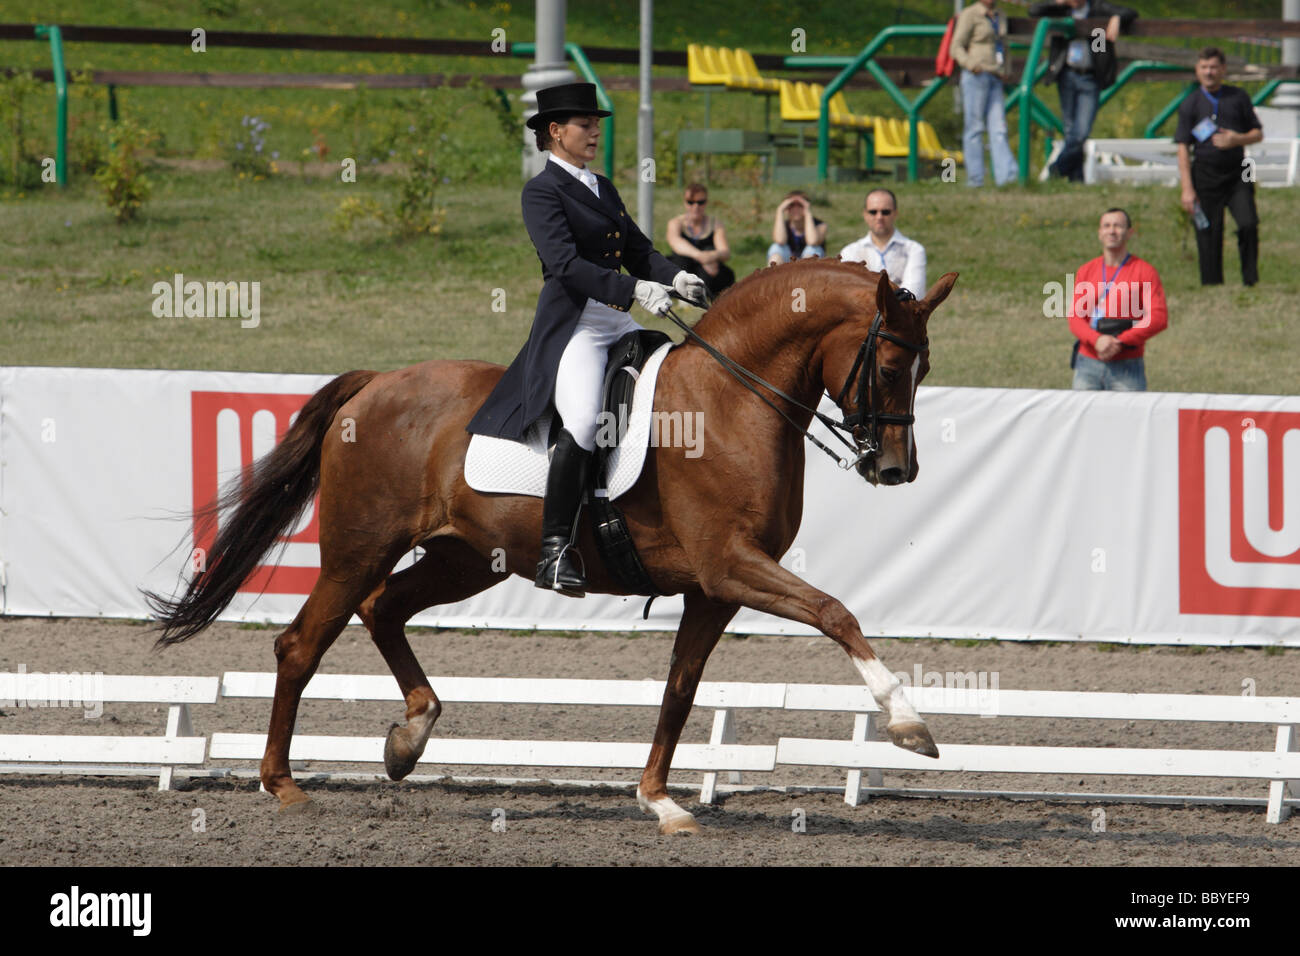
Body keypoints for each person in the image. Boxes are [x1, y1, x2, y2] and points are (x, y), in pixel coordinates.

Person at [466, 82, 707, 597]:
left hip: (619, 320)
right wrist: (635, 288)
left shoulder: (602, 186)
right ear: (556, 132)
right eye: (585, 124)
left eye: (596, 123)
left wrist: (674, 276)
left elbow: (640, 251)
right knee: (580, 420)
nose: (596, 131)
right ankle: (555, 551)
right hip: (577, 327)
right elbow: (565, 266)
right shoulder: (541, 191)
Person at [1175, 47, 1263, 287]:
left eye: (1214, 67)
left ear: (1223, 69)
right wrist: (1187, 188)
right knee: (1208, 232)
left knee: (1248, 223)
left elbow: (1257, 133)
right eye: (1204, 67)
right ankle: (1212, 285)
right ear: (1197, 70)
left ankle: (1250, 279)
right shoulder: (1190, 104)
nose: (1209, 72)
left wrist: (1237, 139)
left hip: (1238, 172)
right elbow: (1182, 146)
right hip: (1204, 174)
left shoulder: (1238, 97)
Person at [1029, 0, 1139, 182]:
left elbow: (1131, 11)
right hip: (1067, 74)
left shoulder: (1098, 9)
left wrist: (1117, 18)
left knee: (1081, 132)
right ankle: (1076, 177)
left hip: (1090, 76)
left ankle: (1055, 171)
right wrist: (1057, 3)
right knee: (1071, 131)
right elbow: (1034, 11)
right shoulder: (1062, 10)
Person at [1068, 208, 1168, 391]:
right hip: (1088, 364)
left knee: (1130, 419)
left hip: (1127, 366)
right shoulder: (1087, 270)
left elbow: (1158, 318)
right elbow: (1075, 317)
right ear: (1099, 233)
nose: (1112, 231)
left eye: (1118, 226)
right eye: (1106, 226)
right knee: (1083, 419)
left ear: (1130, 232)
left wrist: (1120, 341)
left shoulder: (1144, 271)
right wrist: (1097, 340)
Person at [951, 0, 1019, 187]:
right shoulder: (970, 14)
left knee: (999, 128)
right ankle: (975, 178)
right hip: (976, 76)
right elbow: (955, 46)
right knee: (974, 127)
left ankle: (1007, 177)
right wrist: (971, 65)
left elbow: (1004, 44)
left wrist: (1007, 69)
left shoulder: (1000, 15)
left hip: (995, 75)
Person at [837, 188, 927, 297]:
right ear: (865, 214)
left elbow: (912, 293)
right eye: (873, 212)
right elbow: (848, 294)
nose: (879, 217)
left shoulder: (914, 250)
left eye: (885, 212)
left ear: (895, 213)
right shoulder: (850, 252)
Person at [665, 183, 735, 297]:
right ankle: (683, 293)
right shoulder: (676, 223)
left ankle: (700, 294)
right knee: (680, 259)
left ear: (706, 203)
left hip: (706, 271)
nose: (695, 207)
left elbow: (725, 252)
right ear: (684, 202)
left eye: (700, 202)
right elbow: (676, 243)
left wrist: (711, 256)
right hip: (685, 267)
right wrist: (700, 256)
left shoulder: (715, 224)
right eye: (690, 202)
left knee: (712, 257)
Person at [766, 190, 827, 265]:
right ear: (786, 209)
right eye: (791, 205)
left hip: (810, 268)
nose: (796, 209)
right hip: (787, 260)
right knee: (776, 248)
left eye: (800, 205)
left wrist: (807, 213)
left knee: (813, 249)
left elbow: (812, 241)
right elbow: (780, 240)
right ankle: (774, 275)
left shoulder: (820, 225)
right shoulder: (784, 226)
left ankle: (805, 275)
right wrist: (780, 210)